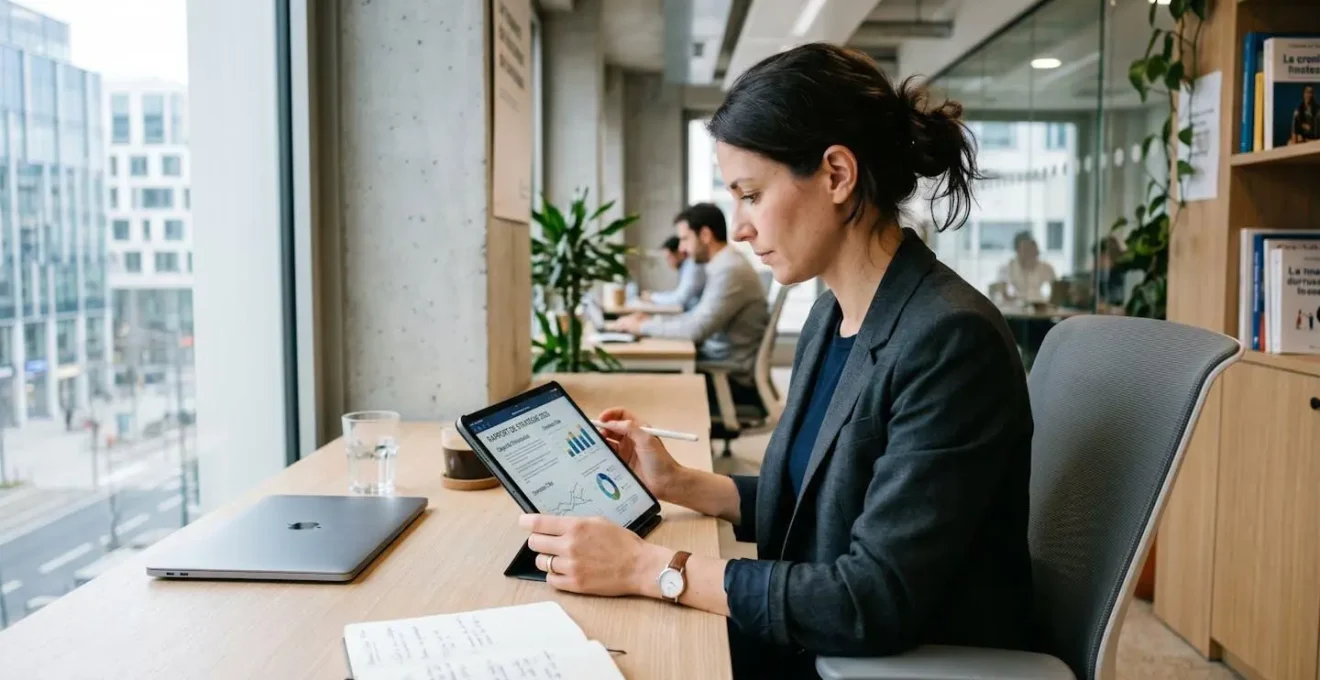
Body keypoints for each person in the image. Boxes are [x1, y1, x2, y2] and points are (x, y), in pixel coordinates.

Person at [519, 43, 1034, 679]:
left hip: (883, 659)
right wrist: (678, 482)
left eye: (751, 194)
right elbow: (820, 501)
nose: (738, 227)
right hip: (821, 633)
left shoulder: (950, 341)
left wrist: (648, 569)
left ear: (837, 175)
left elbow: (870, 599)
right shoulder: (831, 316)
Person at [610, 203, 768, 387]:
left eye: (685, 239)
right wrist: (652, 320)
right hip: (717, 359)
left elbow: (696, 329)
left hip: (726, 373)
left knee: (634, 376)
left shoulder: (730, 270)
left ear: (705, 235)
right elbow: (696, 317)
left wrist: (642, 327)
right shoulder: (724, 265)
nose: (681, 248)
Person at [646, 234, 705, 311]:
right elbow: (678, 294)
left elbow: (680, 299)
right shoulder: (686, 267)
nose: (668, 262)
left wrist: (652, 297)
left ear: (679, 253)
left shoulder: (693, 266)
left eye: (669, 257)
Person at [997, 230, 1056, 304]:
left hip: (1039, 305)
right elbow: (1003, 293)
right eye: (1024, 249)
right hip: (1016, 306)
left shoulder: (1046, 268)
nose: (1028, 252)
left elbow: (1056, 292)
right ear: (1017, 250)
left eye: (1031, 248)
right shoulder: (1007, 268)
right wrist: (1016, 300)